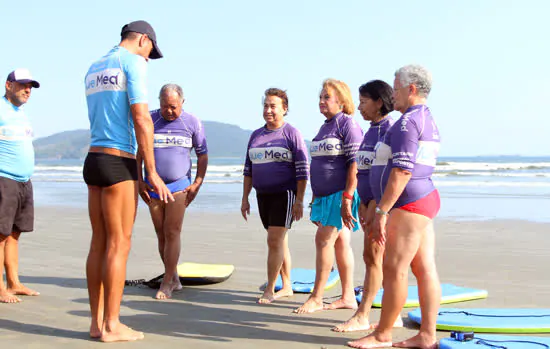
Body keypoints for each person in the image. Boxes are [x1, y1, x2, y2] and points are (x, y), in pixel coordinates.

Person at [83, 20, 173, 342]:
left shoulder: (94, 68)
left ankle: (96, 324)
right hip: (118, 160)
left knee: (99, 243)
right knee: (120, 244)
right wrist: (151, 170)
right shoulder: (132, 62)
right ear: (143, 40)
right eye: (151, 51)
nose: (149, 58)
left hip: (93, 158)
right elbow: (141, 118)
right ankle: (112, 325)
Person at [348, 65, 441, 349]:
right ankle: (426, 334)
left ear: (411, 89)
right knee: (423, 268)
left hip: (408, 203)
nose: (393, 95)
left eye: (397, 88)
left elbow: (402, 170)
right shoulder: (426, 118)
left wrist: (382, 211)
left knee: (394, 268)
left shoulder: (406, 122)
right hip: (423, 198)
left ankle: (383, 334)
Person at [333, 80, 402, 332]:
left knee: (375, 258)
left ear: (379, 102)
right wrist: (359, 201)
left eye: (363, 102)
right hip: (367, 204)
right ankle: (391, 314)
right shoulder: (371, 130)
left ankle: (363, 315)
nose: (359, 107)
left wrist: (377, 205)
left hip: (382, 207)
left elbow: (391, 172)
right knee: (377, 259)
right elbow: (364, 170)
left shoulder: (390, 129)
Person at [294, 79, 363, 314]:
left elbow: (355, 163)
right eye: (321, 97)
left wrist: (347, 197)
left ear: (342, 102)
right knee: (341, 242)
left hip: (340, 194)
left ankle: (316, 297)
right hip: (323, 196)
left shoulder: (348, 125)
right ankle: (348, 297)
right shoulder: (325, 126)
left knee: (323, 241)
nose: (321, 101)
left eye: (327, 97)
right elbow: (320, 164)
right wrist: (315, 198)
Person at [137, 83, 208, 300]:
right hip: (153, 186)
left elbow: (202, 155)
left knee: (172, 231)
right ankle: (174, 276)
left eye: (174, 107)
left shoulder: (192, 122)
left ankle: (167, 282)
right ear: (159, 103)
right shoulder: (150, 120)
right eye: (166, 106)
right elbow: (138, 153)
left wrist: (197, 182)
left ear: (182, 103)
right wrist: (139, 181)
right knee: (161, 233)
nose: (170, 111)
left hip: (179, 185)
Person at [241, 88, 309, 304]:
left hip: (285, 194)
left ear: (284, 109)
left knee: (274, 240)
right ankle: (287, 285)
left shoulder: (291, 134)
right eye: (266, 106)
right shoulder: (256, 136)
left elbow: (302, 169)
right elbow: (248, 169)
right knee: (279, 242)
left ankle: (270, 288)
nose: (268, 110)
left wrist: (299, 200)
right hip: (263, 195)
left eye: (273, 106)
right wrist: (245, 198)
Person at [0, 69, 41, 304]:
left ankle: (14, 283)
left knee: (14, 234)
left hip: (24, 181)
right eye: (23, 85)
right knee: (0, 235)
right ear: (8, 85)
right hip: (4, 179)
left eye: (31, 86)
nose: (28, 90)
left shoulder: (21, 113)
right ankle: (0, 288)